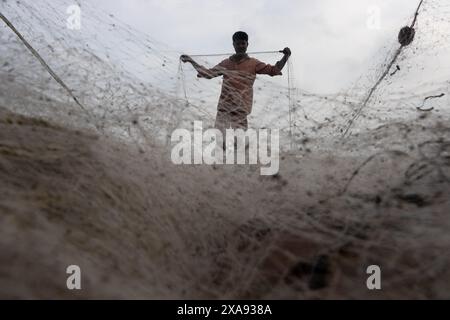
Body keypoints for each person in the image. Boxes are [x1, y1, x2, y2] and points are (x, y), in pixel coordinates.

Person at [180, 31, 291, 145]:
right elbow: (208, 74)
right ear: (233, 45)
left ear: (247, 44)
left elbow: (274, 70)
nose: (240, 46)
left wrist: (285, 57)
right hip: (224, 109)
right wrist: (191, 61)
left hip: (241, 110)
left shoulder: (253, 63)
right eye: (238, 44)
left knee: (239, 145)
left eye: (243, 43)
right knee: (219, 143)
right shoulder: (226, 64)